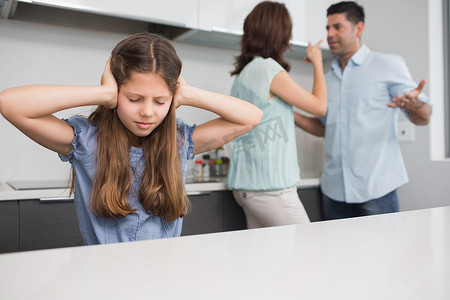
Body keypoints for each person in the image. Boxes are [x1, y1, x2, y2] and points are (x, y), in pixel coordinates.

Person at [0, 32, 263, 244]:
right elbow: (10, 103)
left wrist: (188, 93)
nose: (147, 111)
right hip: (107, 280)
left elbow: (251, 116)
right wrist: (102, 94)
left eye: (160, 101)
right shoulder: (86, 142)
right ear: (116, 93)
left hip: (165, 278)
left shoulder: (179, 141)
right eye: (134, 99)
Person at [294, 1, 432, 220]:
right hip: (333, 192)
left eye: (337, 27)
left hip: (376, 191)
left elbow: (424, 117)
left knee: (382, 254)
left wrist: (415, 105)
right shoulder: (326, 79)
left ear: (358, 28)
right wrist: (288, 113)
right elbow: (323, 129)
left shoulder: (387, 64)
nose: (330, 34)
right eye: (327, 28)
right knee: (336, 254)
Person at [227, 1, 327, 229]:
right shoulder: (268, 69)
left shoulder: (243, 75)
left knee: (266, 261)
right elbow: (320, 107)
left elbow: (270, 118)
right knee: (310, 253)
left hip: (246, 189)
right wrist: (318, 63)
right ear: (281, 33)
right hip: (272, 190)